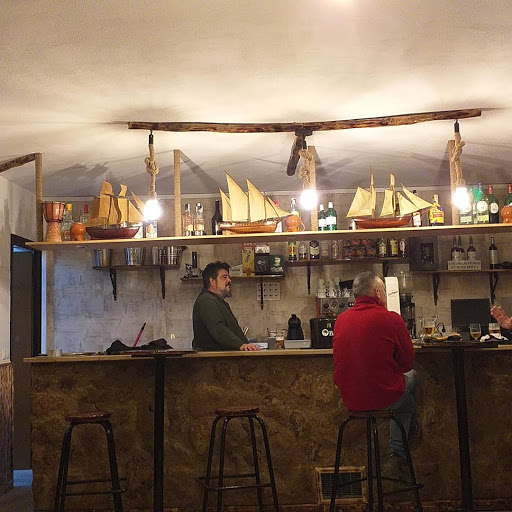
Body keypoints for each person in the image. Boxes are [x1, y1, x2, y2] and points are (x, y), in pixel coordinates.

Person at [332, 271, 420, 475]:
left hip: (351, 401)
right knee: (412, 379)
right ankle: (399, 452)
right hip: (384, 397)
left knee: (406, 397)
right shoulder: (391, 319)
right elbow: (407, 362)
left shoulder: (340, 320)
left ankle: (399, 450)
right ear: (378, 293)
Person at [192, 261, 259, 351]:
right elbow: (218, 328)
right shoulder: (207, 301)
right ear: (212, 281)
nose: (229, 280)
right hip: (214, 358)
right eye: (224, 277)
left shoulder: (216, 301)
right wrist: (240, 345)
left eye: (228, 277)